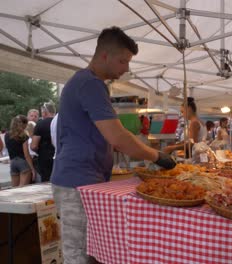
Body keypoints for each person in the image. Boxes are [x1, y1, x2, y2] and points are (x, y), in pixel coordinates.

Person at [51, 26, 176, 263]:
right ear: (104, 56)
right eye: (123, 61)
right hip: (76, 182)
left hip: (83, 179)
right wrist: (157, 156)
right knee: (79, 253)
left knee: (91, 251)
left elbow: (110, 136)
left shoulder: (87, 83)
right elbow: (117, 137)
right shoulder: (90, 84)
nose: (127, 68)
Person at [4, 115, 33, 186]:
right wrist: (32, 169)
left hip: (13, 163)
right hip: (23, 162)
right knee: (23, 190)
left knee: (14, 190)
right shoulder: (24, 136)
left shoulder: (6, 135)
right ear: (24, 124)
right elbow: (26, 154)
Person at [31, 102, 56, 182]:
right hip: (59, 155)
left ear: (45, 112)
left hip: (45, 157)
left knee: (46, 180)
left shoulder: (40, 124)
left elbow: (33, 146)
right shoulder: (60, 122)